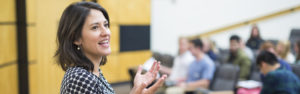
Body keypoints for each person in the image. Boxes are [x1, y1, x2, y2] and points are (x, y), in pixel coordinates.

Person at [55, 2, 167, 94]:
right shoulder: (80, 78)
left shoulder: (93, 72)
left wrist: (135, 91)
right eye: (95, 27)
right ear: (76, 38)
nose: (106, 33)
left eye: (106, 25)